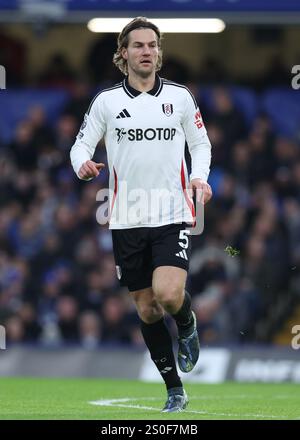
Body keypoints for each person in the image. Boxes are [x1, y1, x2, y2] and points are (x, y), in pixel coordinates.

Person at [70, 17, 212, 412]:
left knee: (168, 295)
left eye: (152, 45)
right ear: (124, 53)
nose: (147, 51)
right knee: (147, 307)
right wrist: (82, 164)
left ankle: (187, 323)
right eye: (138, 45)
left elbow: (201, 144)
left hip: (170, 212)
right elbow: (80, 146)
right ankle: (174, 389)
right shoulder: (107, 102)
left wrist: (199, 178)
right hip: (126, 218)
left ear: (159, 52)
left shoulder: (181, 97)